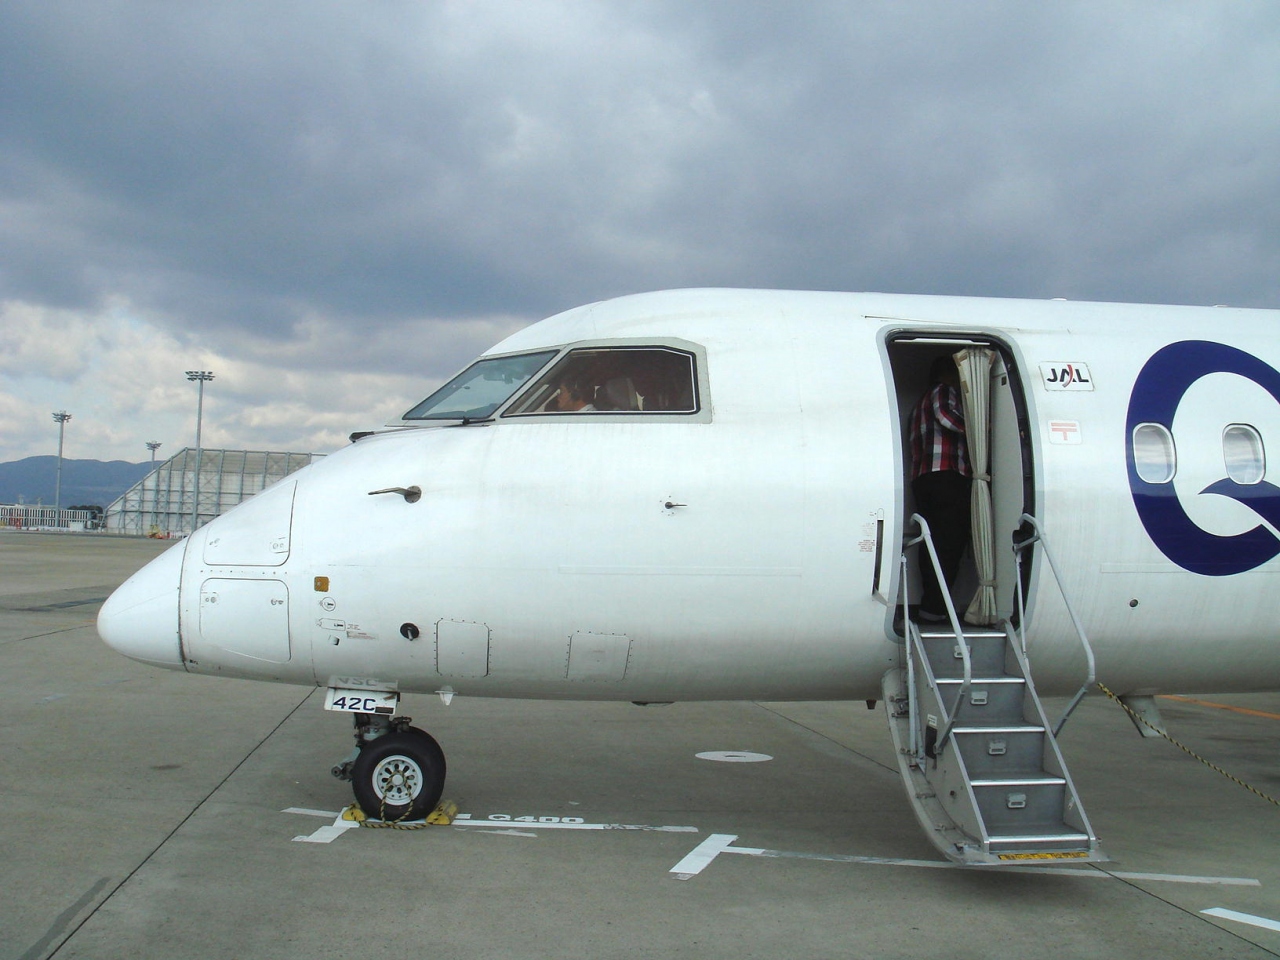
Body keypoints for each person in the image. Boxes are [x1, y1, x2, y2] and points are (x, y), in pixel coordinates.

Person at [908, 355, 972, 623]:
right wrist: (981, 428)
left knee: (932, 542)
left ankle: (929, 606)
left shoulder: (918, 404)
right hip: (946, 475)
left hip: (924, 477)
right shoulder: (942, 392)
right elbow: (948, 418)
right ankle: (935, 608)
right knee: (950, 541)